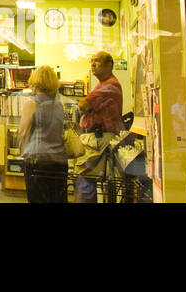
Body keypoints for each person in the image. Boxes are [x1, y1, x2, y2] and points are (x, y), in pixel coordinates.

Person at [75, 50, 124, 203]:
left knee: (85, 182)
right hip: (98, 139)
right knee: (90, 184)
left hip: (98, 140)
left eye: (97, 61)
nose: (93, 65)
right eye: (91, 61)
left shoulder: (110, 86)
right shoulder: (103, 84)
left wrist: (83, 106)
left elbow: (83, 105)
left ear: (109, 65)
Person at [17, 65, 67, 203]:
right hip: (59, 162)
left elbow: (23, 132)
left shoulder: (31, 103)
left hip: (38, 161)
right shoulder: (59, 104)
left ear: (35, 80)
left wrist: (21, 150)